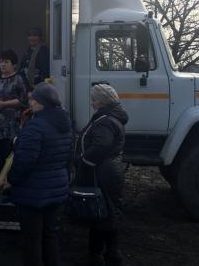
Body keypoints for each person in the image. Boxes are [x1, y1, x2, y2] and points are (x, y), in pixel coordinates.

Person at [6, 83, 73, 266]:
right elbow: (68, 156)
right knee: (50, 235)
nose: (31, 102)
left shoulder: (36, 127)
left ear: (41, 102)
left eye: (33, 99)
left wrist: (11, 179)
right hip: (56, 190)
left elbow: (24, 162)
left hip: (33, 193)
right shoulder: (65, 124)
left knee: (32, 240)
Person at [76, 83, 128, 266]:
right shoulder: (113, 118)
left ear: (103, 102)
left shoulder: (105, 121)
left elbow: (101, 146)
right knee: (109, 210)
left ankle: (104, 254)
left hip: (103, 172)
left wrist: (84, 161)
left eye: (94, 100)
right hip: (111, 170)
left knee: (103, 211)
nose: (92, 103)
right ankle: (107, 252)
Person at [0, 49, 27, 172]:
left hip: (12, 126)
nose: (2, 64)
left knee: (12, 157)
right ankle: (1, 183)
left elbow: (23, 100)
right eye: (1, 62)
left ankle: (10, 185)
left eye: (6, 62)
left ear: (13, 64)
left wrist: (4, 104)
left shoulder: (18, 79)